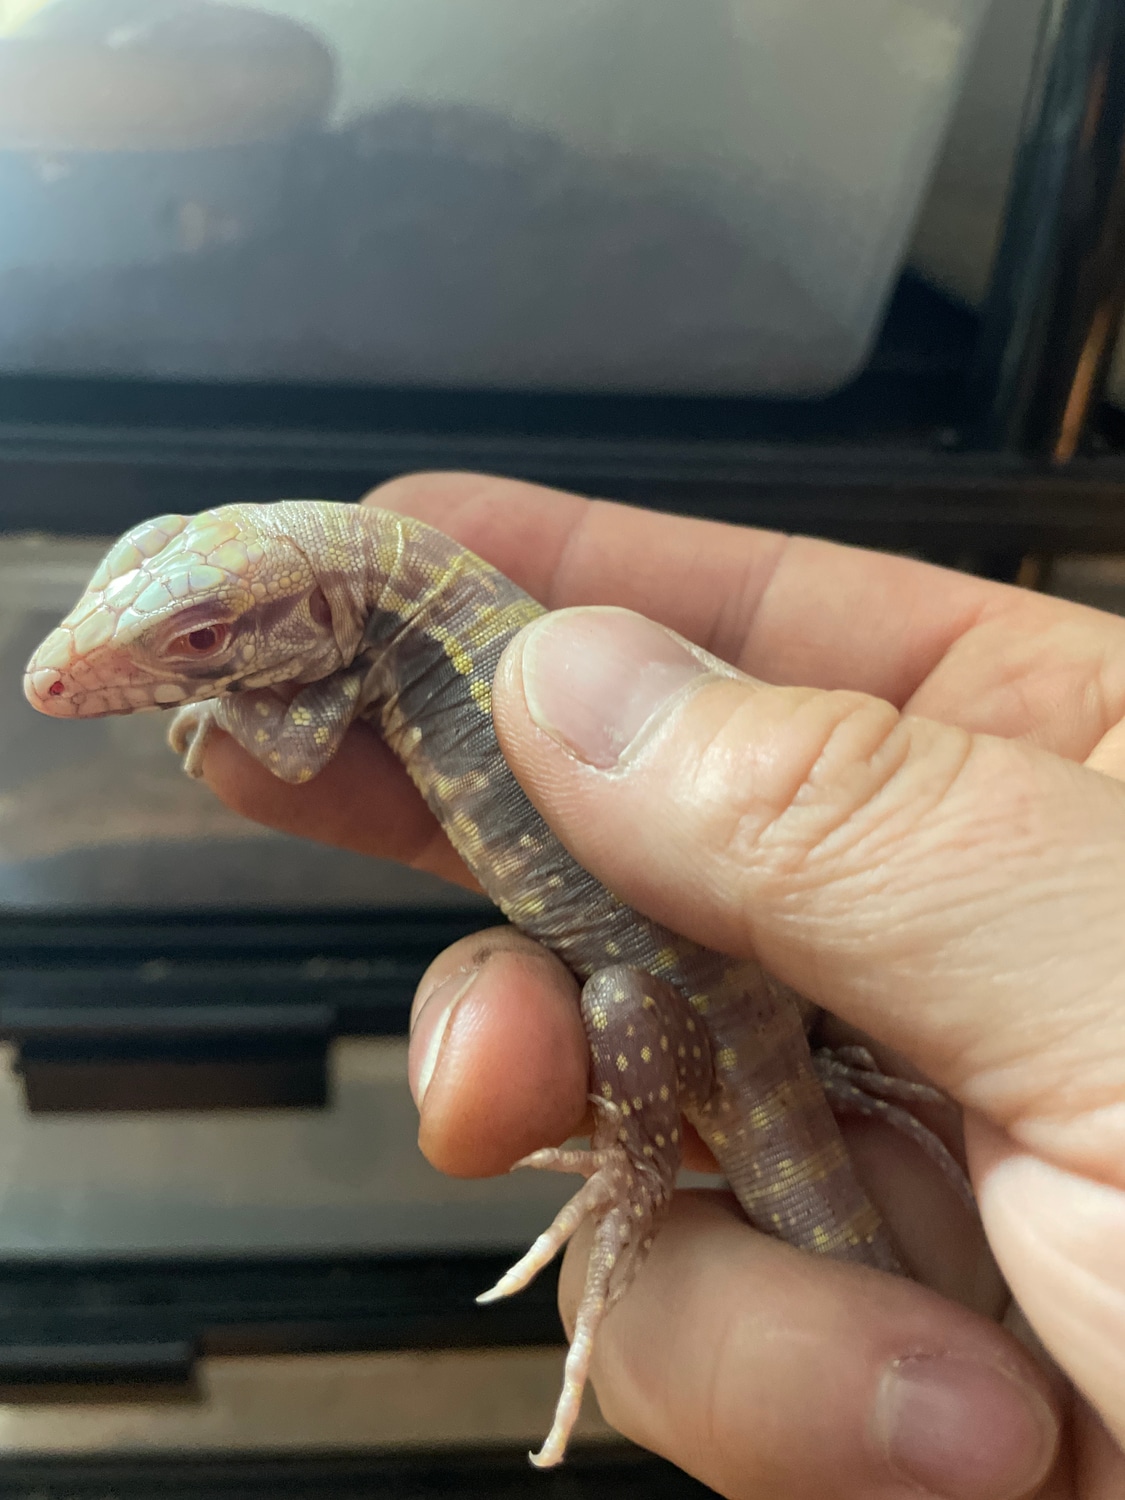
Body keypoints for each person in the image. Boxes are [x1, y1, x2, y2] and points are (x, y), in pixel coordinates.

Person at [201, 472, 1125, 1500]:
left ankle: (638, 1172)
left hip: (683, 1010)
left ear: (325, 605)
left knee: (614, 1009)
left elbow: (288, 749)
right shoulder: (390, 617)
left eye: (198, 637)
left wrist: (637, 1162)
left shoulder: (421, 641)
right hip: (763, 996)